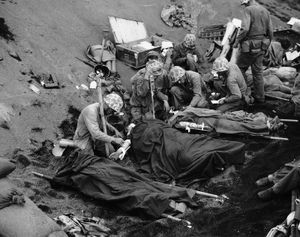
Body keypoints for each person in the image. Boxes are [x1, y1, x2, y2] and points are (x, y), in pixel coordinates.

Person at [233, 0, 273, 104]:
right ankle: (260, 97)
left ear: (247, 3)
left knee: (240, 68)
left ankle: (245, 94)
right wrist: (266, 45)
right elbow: (270, 32)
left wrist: (237, 41)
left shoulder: (248, 10)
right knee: (258, 73)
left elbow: (245, 29)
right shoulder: (265, 11)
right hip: (262, 46)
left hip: (250, 46)